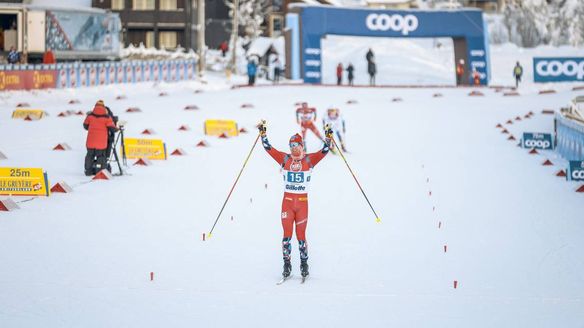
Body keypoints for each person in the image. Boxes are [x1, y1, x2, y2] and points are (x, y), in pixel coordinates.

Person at [257, 121, 333, 279]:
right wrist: (263, 135)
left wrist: (328, 137)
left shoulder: (309, 160)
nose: (293, 148)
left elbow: (324, 151)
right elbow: (269, 149)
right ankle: (287, 264)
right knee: (286, 235)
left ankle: (304, 264)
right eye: (291, 145)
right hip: (288, 203)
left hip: (302, 203)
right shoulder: (284, 159)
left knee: (301, 236)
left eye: (296, 145)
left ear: (301, 145)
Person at [83, 100, 117, 176]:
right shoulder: (107, 118)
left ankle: (88, 171)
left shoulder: (90, 116)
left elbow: (85, 126)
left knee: (89, 156)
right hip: (101, 143)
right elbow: (112, 129)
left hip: (90, 142)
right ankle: (99, 171)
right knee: (101, 157)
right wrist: (117, 129)